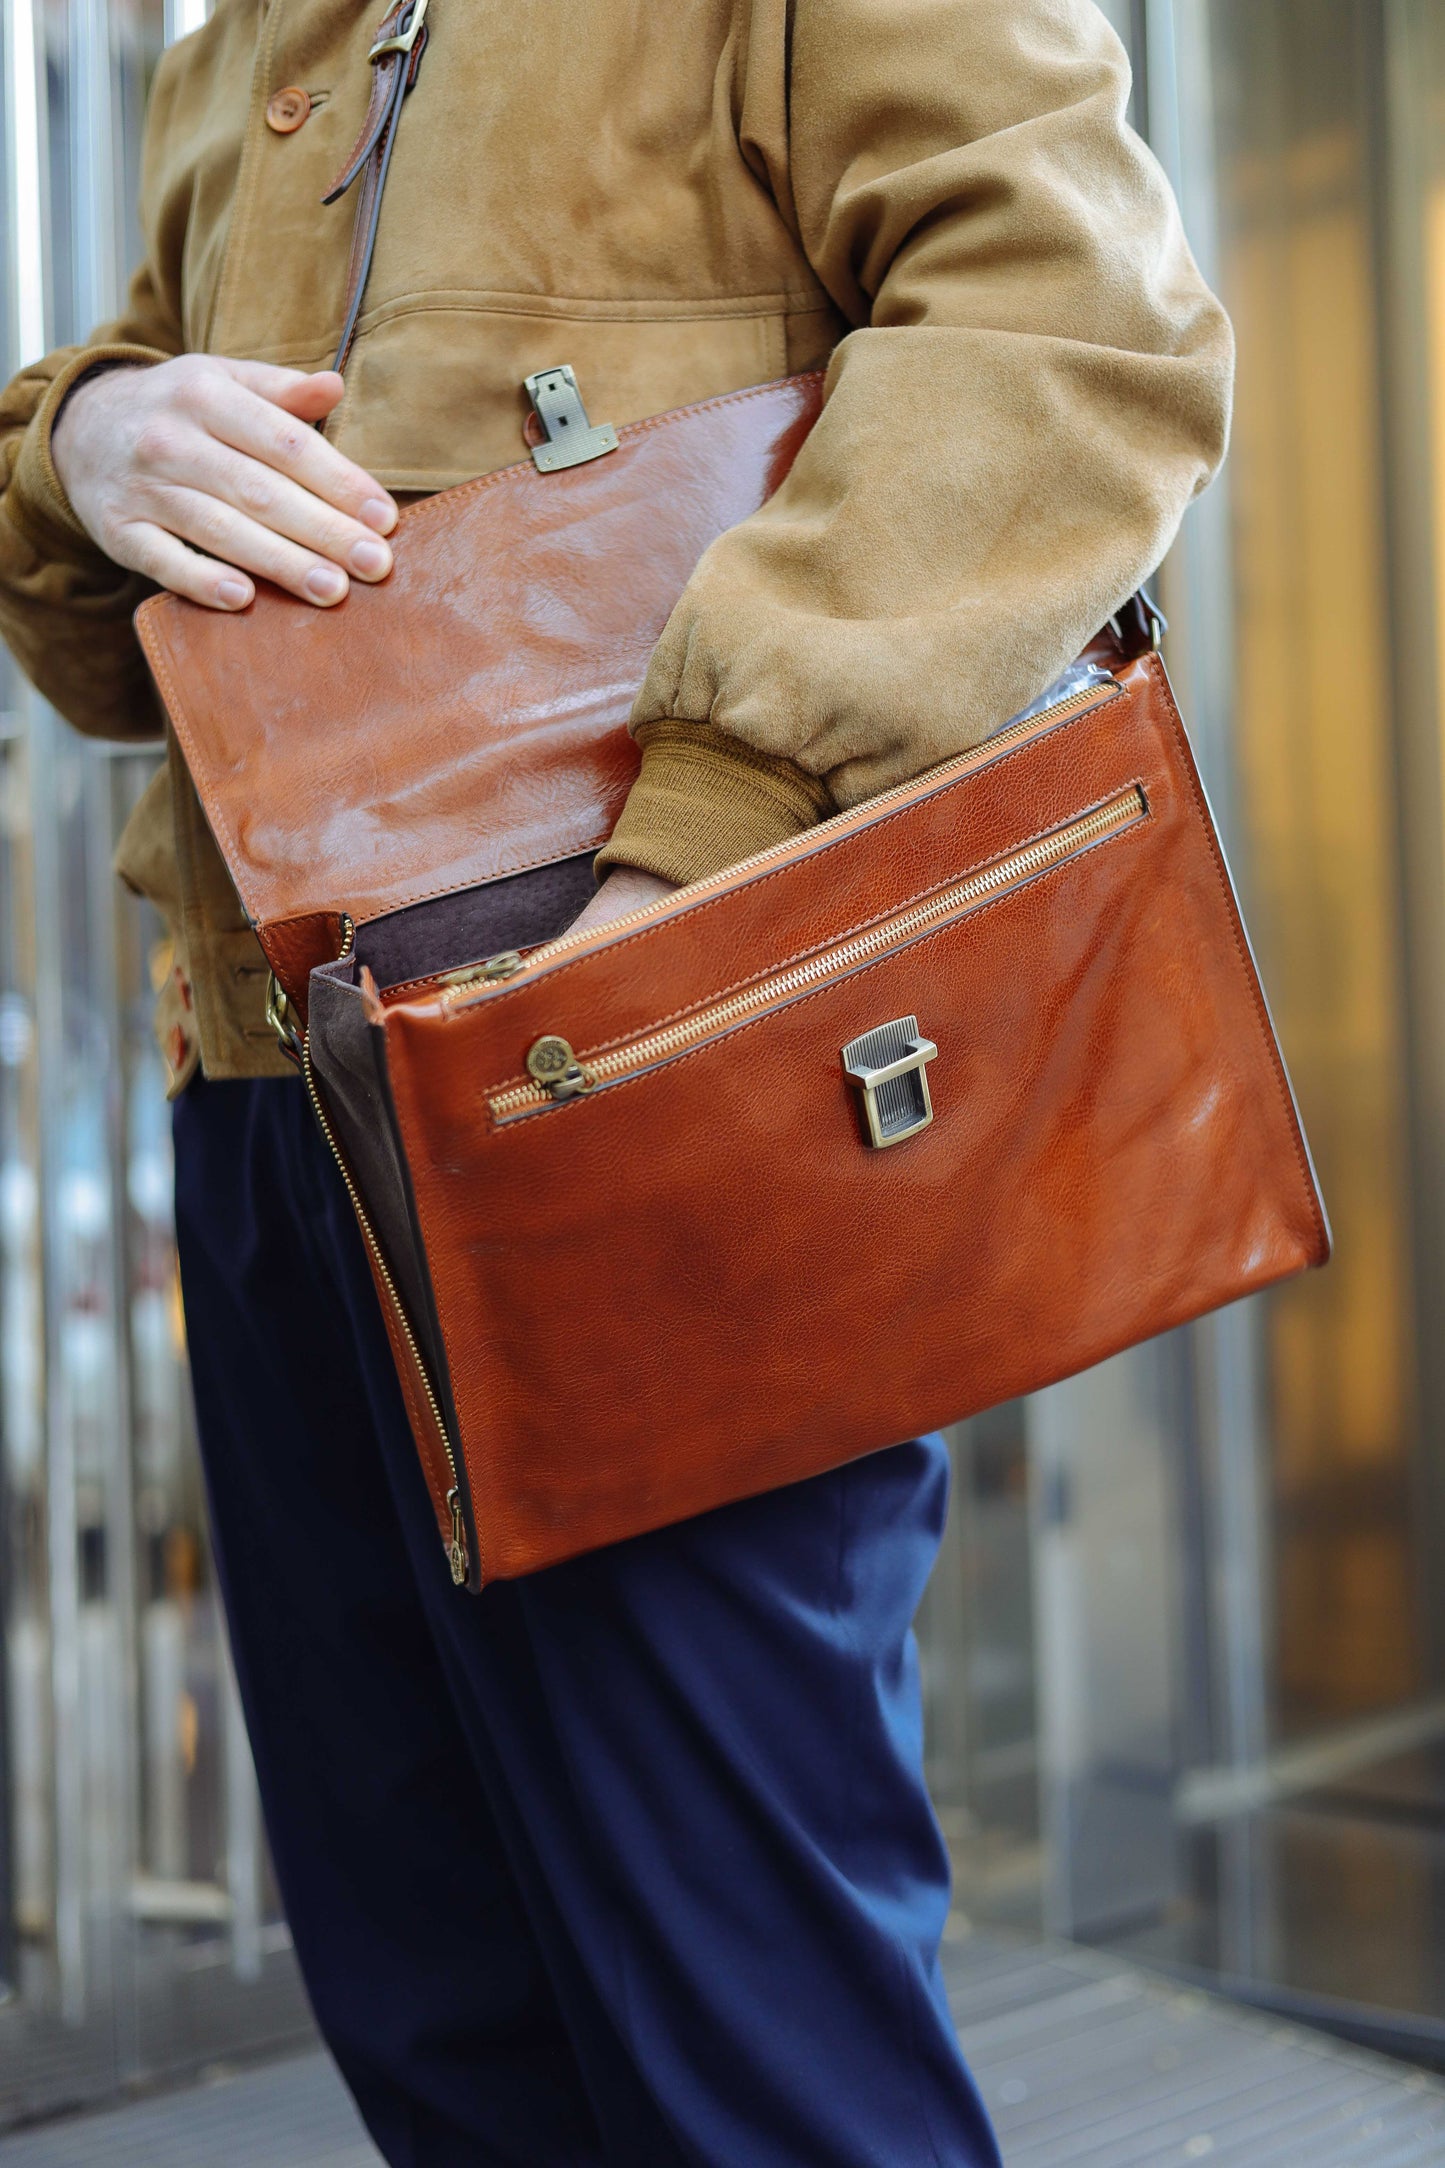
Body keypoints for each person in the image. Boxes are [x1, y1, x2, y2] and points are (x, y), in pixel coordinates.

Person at [0, 1, 1231, 2160]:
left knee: (754, 2047)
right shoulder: (238, 40)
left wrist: (695, 853)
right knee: (440, 2013)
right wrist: (90, 450)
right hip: (276, 1115)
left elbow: (1077, 326)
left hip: (650, 1074)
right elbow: (123, 637)